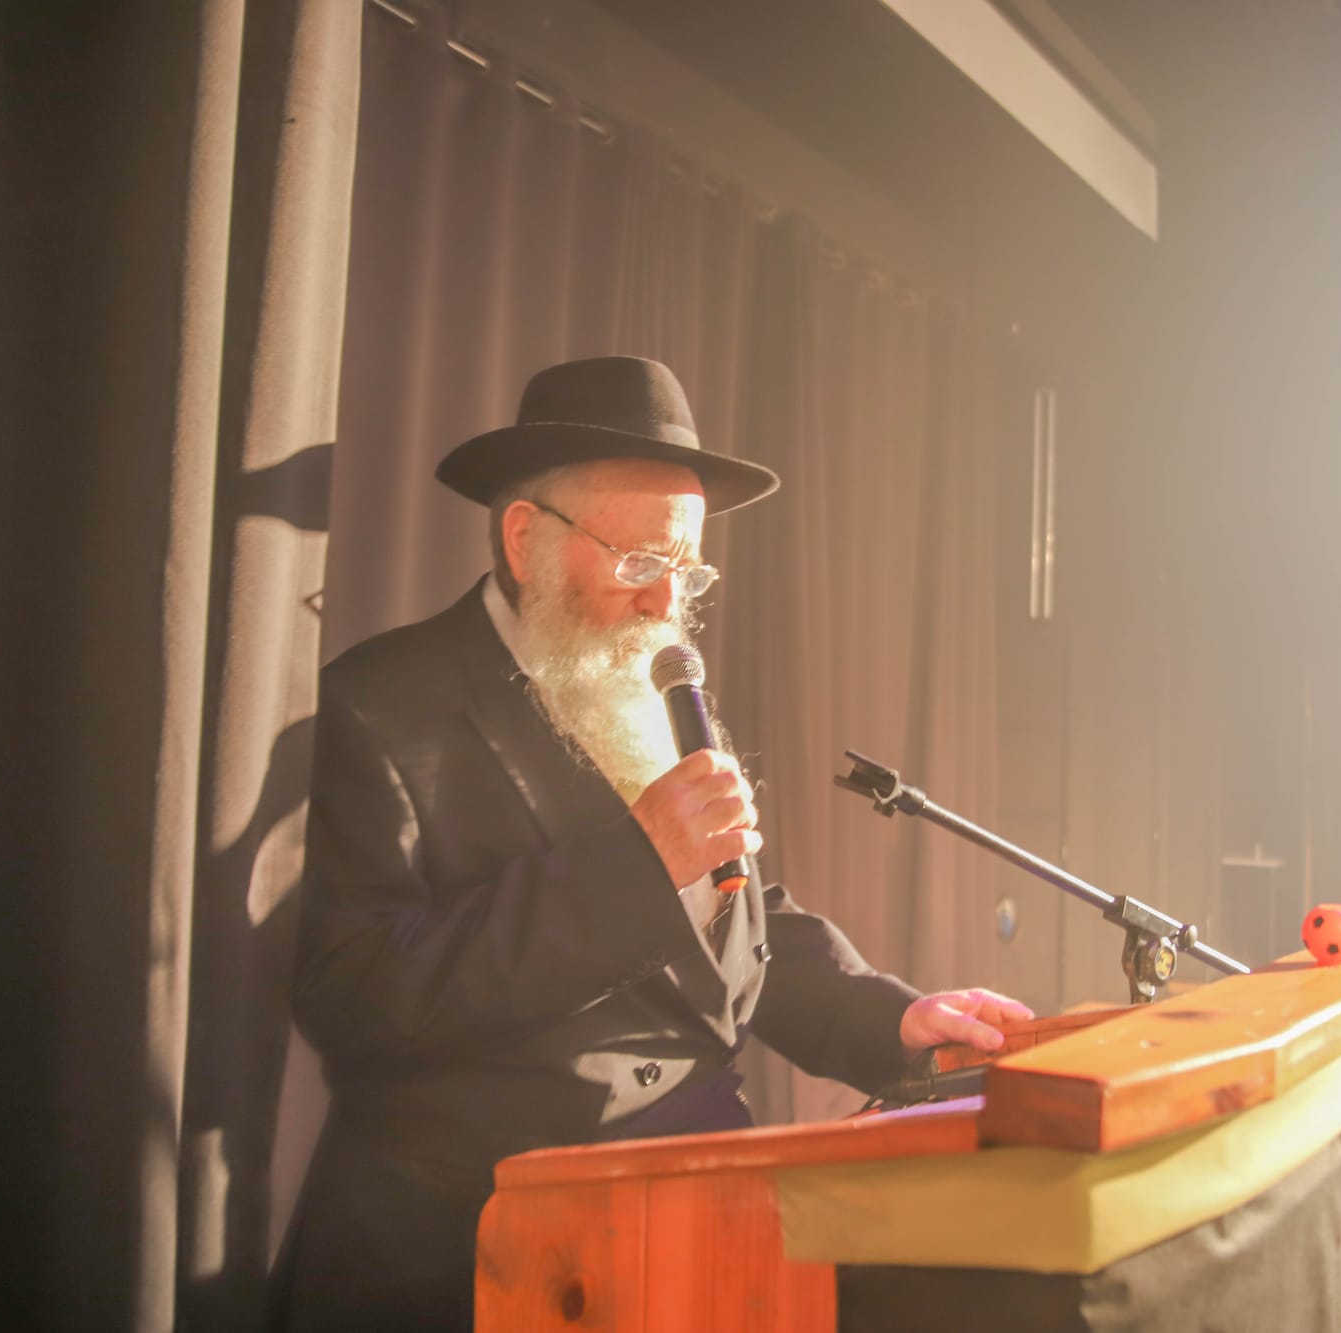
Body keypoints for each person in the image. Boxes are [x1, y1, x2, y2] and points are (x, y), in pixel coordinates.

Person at [272, 356, 1031, 1331]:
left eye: (687, 568)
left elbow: (735, 917)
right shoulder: (381, 701)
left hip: (694, 1227)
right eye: (639, 562)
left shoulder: (643, 677)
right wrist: (636, 871)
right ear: (524, 538)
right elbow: (356, 992)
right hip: (477, 1252)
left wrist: (890, 1021)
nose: (666, 603)